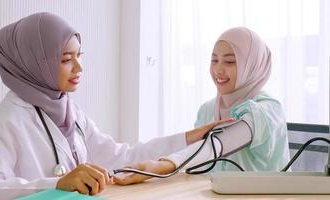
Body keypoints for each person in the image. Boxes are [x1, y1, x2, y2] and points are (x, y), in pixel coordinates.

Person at [0, 12, 232, 199]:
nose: (79, 67)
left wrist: (187, 138)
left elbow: (122, 157)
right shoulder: (6, 119)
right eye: (66, 59)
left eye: (79, 56)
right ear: (35, 62)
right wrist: (58, 183)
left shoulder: (70, 111)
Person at [114, 27, 291, 185]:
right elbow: (196, 162)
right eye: (214, 60)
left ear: (252, 65)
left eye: (229, 62)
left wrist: (161, 166)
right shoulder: (207, 109)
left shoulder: (267, 110)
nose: (218, 70)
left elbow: (221, 143)